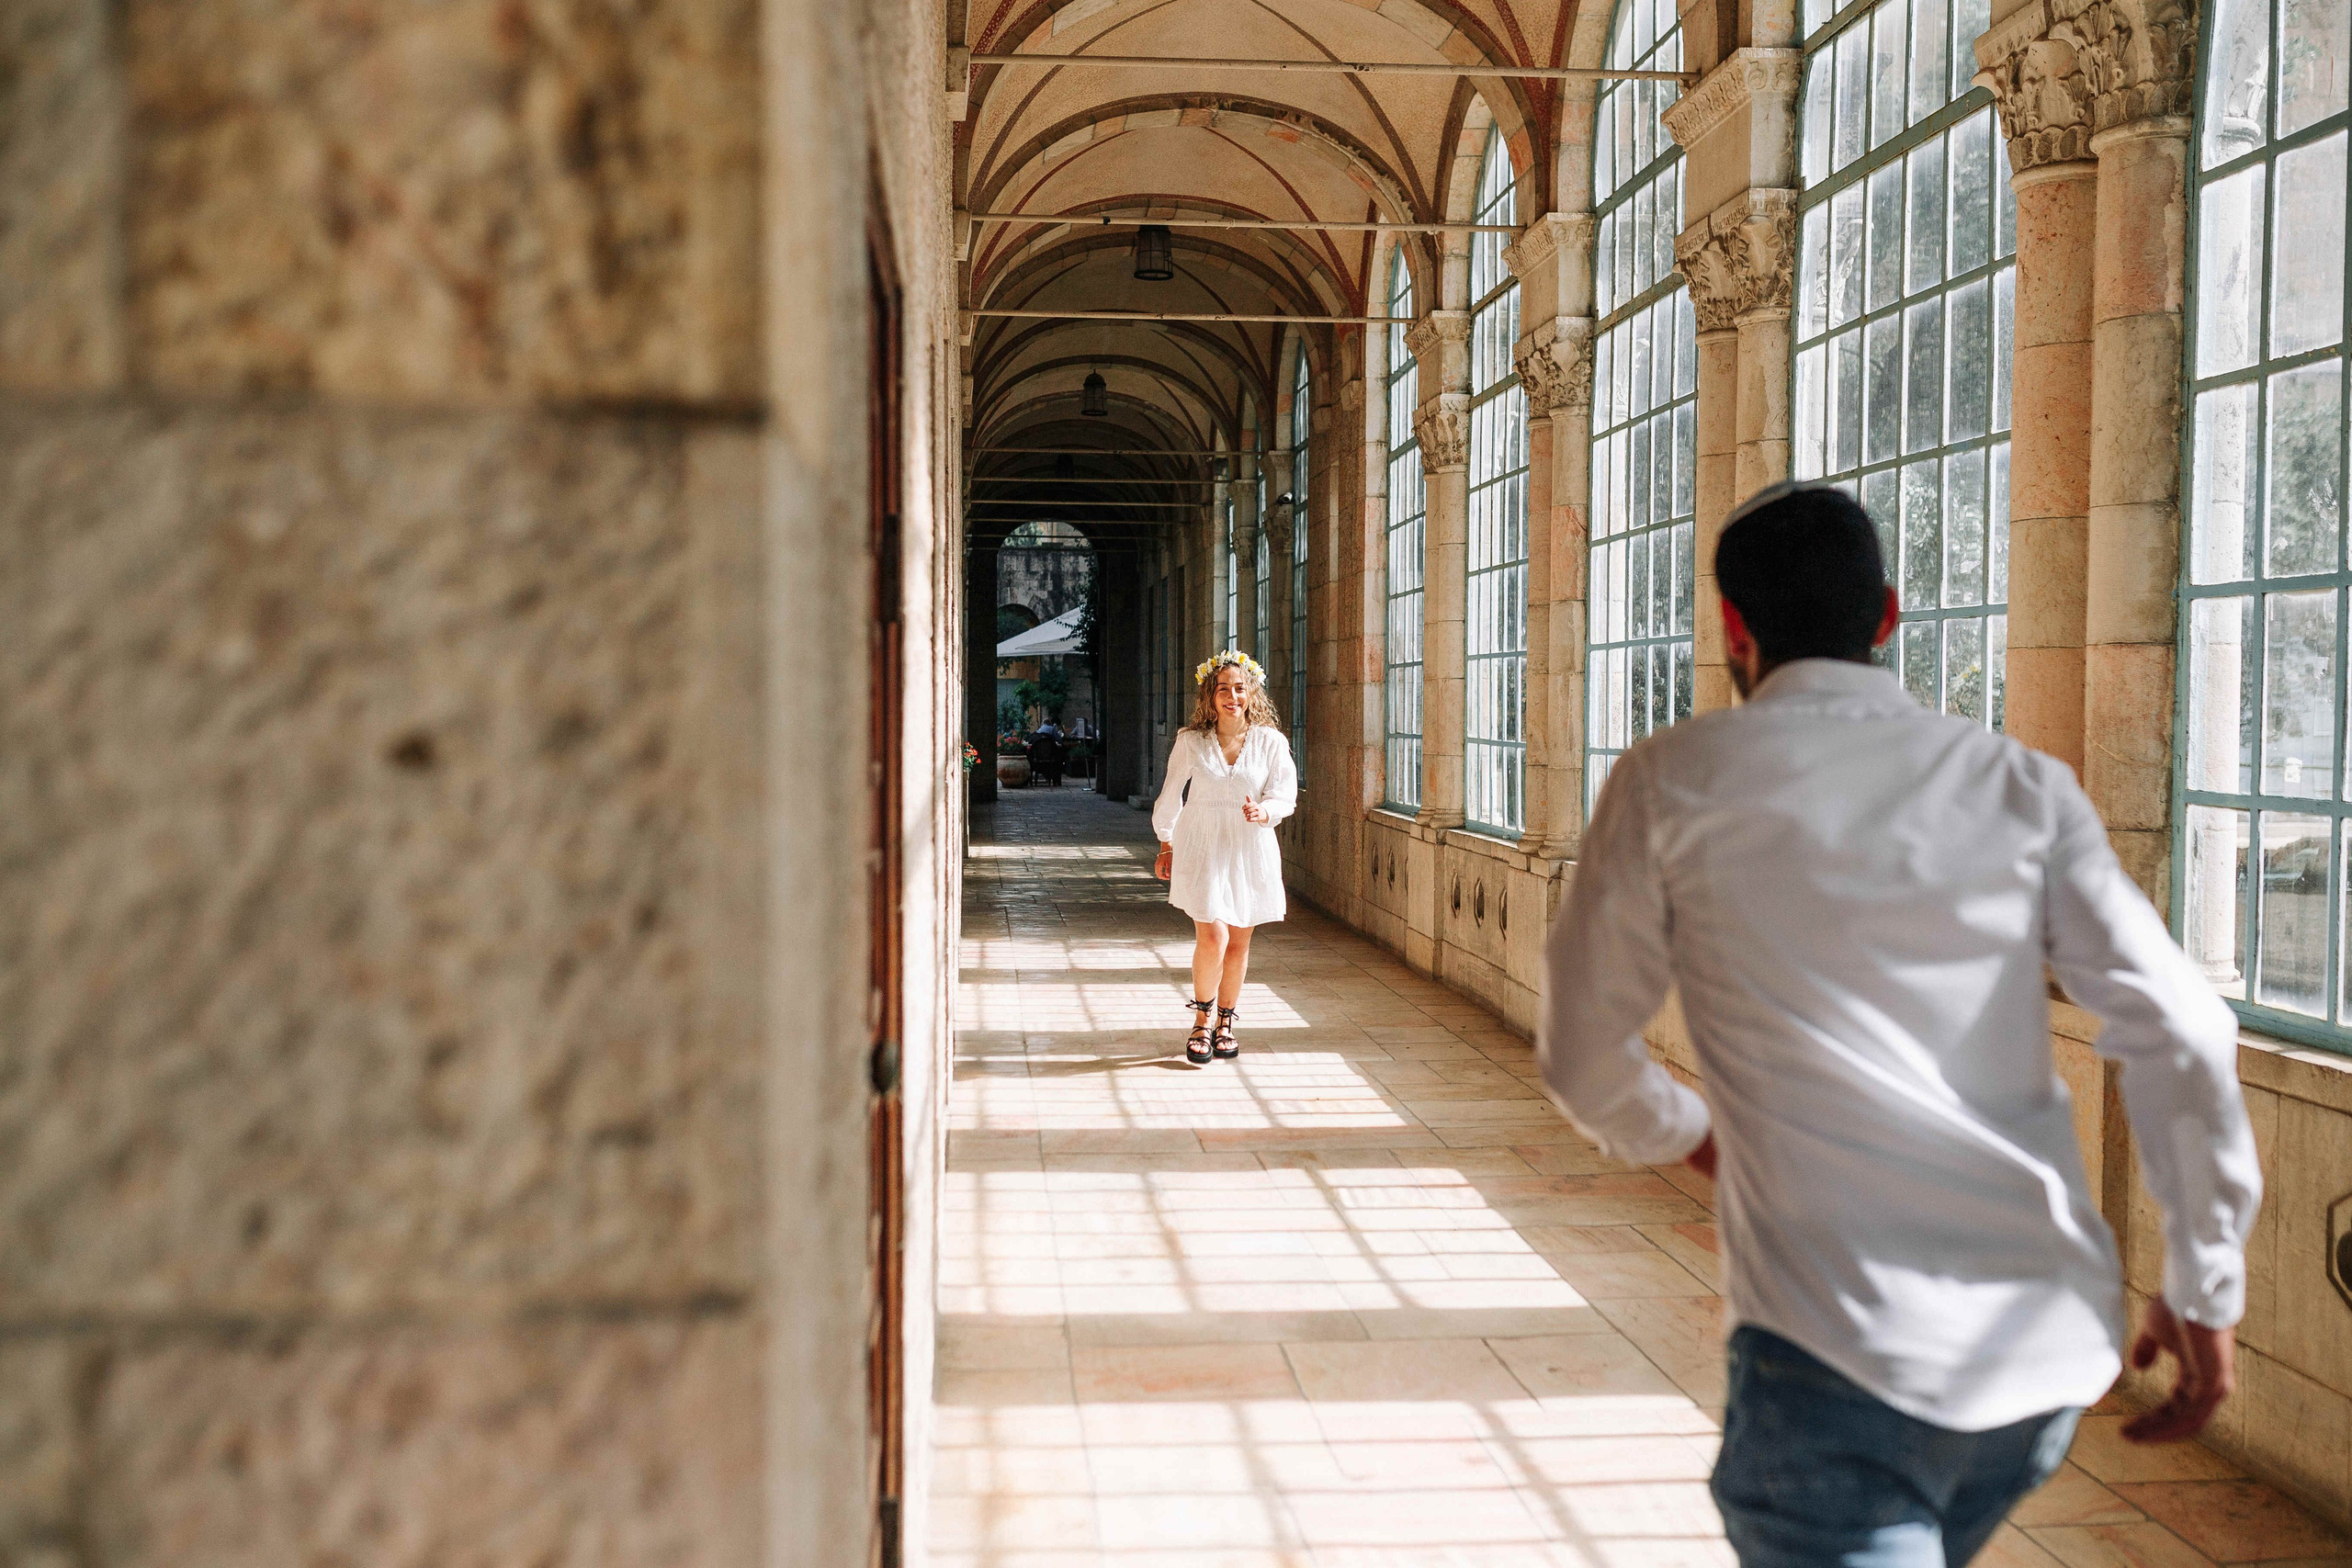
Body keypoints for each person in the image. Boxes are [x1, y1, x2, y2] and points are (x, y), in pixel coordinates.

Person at [1538, 483, 2261, 1568]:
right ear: (1884, 617)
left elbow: (1586, 1061)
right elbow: (2182, 1028)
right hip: (2036, 1367)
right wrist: (2204, 1279)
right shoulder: (2022, 785)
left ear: (1733, 627)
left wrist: (1700, 1138)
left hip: (1835, 1356)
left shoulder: (1670, 781)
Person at [1152, 649, 1296, 1065]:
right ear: (1210, 696)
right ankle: (1201, 1020)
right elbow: (1171, 792)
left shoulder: (1271, 742)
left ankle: (1226, 1022)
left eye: (1239, 688)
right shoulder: (1190, 740)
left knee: (1237, 941)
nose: (1232, 696)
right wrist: (1166, 842)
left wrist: (1265, 811)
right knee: (1212, 936)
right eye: (1223, 690)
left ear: (1251, 692)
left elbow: (1284, 792)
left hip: (1249, 845)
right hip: (1202, 845)